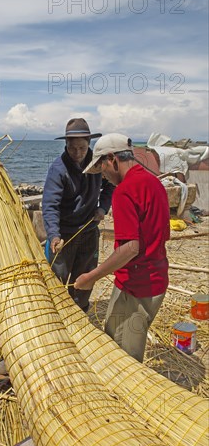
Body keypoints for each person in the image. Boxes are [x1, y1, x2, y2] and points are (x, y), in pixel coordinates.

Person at [74, 133, 170, 363]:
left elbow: (130, 249)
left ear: (112, 159)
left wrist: (91, 276)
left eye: (103, 169)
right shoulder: (153, 182)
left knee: (123, 360)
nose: (105, 177)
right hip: (157, 281)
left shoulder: (126, 190)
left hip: (135, 286)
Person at [42, 118, 114, 311]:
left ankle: (80, 310)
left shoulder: (98, 163)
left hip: (89, 229)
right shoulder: (58, 169)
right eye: (72, 148)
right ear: (66, 144)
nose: (77, 153)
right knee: (57, 279)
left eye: (82, 148)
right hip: (64, 234)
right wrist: (54, 234)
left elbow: (110, 185)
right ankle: (57, 313)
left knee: (85, 276)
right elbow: (50, 205)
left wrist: (103, 207)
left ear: (89, 143)